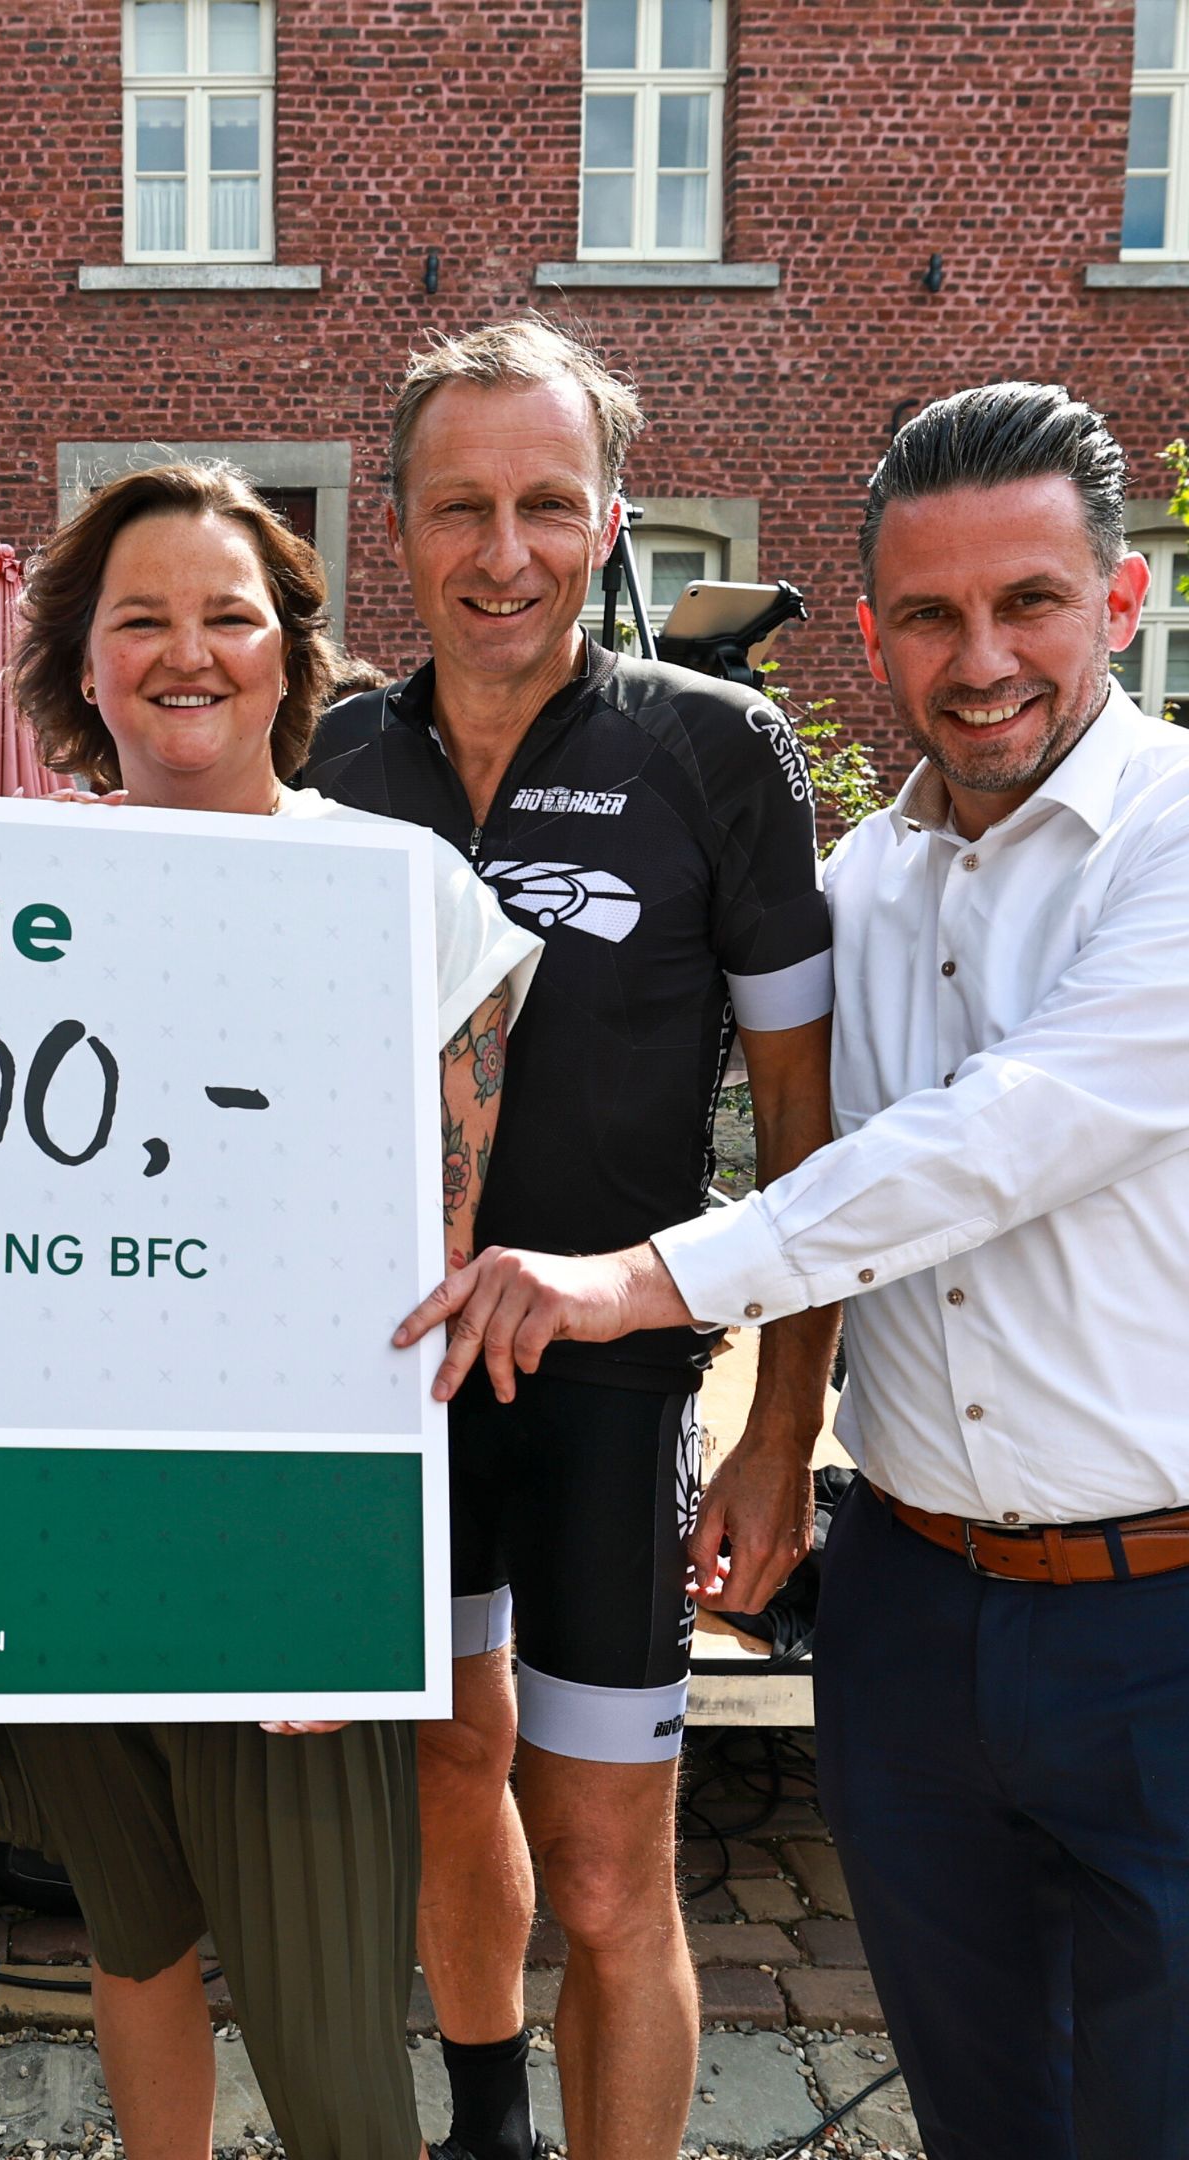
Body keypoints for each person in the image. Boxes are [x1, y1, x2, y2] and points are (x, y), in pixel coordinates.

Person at [400, 381, 1189, 2160]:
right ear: (874, 633)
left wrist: (638, 1284)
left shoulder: (1176, 835)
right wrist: (790, 1440)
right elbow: (829, 1157)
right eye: (929, 615)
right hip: (908, 1604)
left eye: (1030, 603)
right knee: (986, 2107)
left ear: (1124, 598)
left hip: (1157, 1613)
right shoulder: (872, 883)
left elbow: (987, 1145)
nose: (979, 661)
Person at [303, 321, 838, 2160]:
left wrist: (781, 1429)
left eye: (547, 503)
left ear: (609, 520)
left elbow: (806, 1129)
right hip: (397, 1385)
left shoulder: (718, 751)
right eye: (460, 506)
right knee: (453, 1769)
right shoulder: (331, 754)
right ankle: (485, 2126)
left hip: (614, 1391)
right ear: (396, 524)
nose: (503, 550)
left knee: (610, 1868)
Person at [0, 460, 540, 2160]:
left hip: (280, 1526)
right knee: (132, 1941)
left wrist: (337, 1566)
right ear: (82, 662)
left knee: (330, 2043)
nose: (186, 652)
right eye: (140, 618)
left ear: (290, 652)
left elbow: (433, 1264)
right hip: (57, 1510)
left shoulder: (401, 889)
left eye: (227, 615)